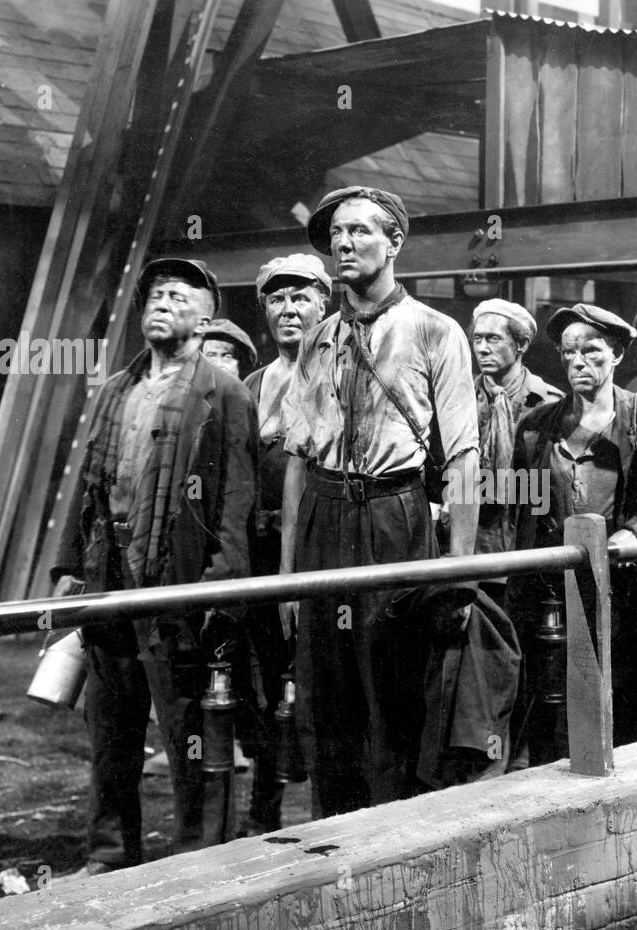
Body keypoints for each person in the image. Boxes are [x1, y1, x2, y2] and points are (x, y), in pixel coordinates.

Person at [50, 257, 258, 874]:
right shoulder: (118, 388)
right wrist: (68, 565)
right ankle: (110, 854)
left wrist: (220, 588)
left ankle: (194, 857)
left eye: (177, 295)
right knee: (110, 731)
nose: (161, 303)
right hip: (110, 574)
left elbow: (235, 501)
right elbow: (90, 483)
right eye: (155, 295)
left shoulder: (223, 393)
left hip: (175, 584)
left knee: (187, 731)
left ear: (205, 315)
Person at [278, 186, 479, 817]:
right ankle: (327, 838)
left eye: (361, 231)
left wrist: (458, 573)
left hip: (395, 514)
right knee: (324, 691)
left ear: (394, 243)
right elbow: (298, 456)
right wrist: (287, 573)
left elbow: (465, 458)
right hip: (324, 515)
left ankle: (395, 839)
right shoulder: (317, 339)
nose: (344, 243)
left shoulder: (435, 332)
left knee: (393, 690)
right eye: (336, 233)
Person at [507, 303, 637, 764]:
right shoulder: (538, 427)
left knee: (619, 686)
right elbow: (528, 509)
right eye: (569, 353)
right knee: (550, 694)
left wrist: (632, 534)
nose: (578, 362)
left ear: (616, 354)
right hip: (553, 586)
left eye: (592, 351)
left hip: (621, 581)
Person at [235, 255, 331, 834]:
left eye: (301, 298)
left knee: (320, 680)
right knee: (261, 681)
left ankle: (331, 814)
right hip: (260, 555)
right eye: (277, 300)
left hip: (321, 549)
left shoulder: (340, 374)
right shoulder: (250, 387)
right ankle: (263, 811)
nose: (289, 310)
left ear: (324, 304)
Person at [470, 298, 563, 600]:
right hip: (471, 548)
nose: (482, 348)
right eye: (478, 339)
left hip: (526, 549)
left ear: (521, 344)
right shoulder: (458, 399)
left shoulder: (549, 403)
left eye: (493, 339)